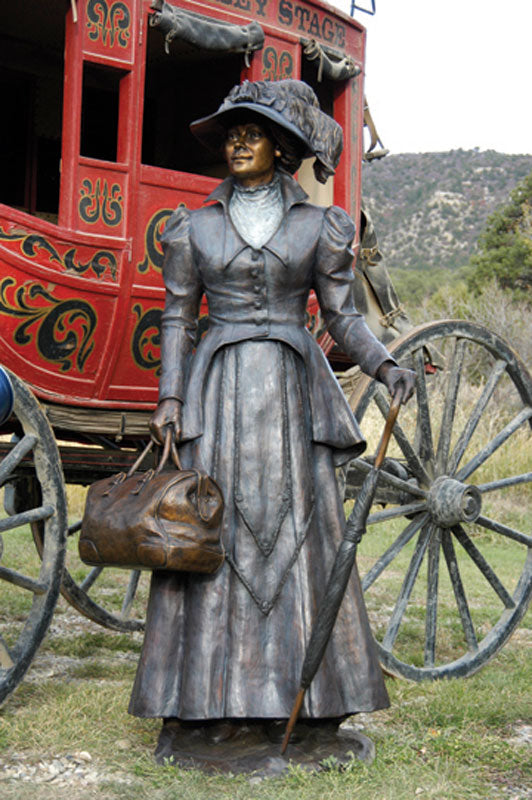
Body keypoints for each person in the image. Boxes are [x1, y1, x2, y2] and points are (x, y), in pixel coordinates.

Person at [129, 79, 415, 766]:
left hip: (292, 395)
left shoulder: (319, 226)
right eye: (231, 133)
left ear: (281, 148)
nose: (237, 142)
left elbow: (342, 316)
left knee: (302, 541)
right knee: (211, 536)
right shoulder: (192, 227)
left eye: (251, 133)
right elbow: (178, 318)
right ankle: (205, 710)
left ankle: (310, 711)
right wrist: (170, 399)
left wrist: (383, 364)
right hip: (217, 394)